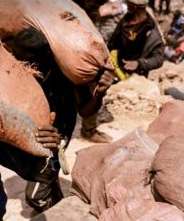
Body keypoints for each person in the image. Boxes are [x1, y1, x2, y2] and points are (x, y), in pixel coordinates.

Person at [11, 28, 116, 211]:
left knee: (36, 196)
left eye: (32, 63)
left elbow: (85, 110)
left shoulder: (66, 72)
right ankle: (54, 186)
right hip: (32, 133)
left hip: (59, 133)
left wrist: (99, 94)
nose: (28, 68)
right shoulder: (14, 70)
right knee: (49, 173)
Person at [108, 0, 164, 77]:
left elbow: (158, 59)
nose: (126, 6)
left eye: (128, 4)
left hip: (134, 76)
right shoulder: (126, 19)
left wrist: (138, 63)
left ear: (135, 7)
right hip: (115, 68)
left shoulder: (150, 29)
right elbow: (113, 40)